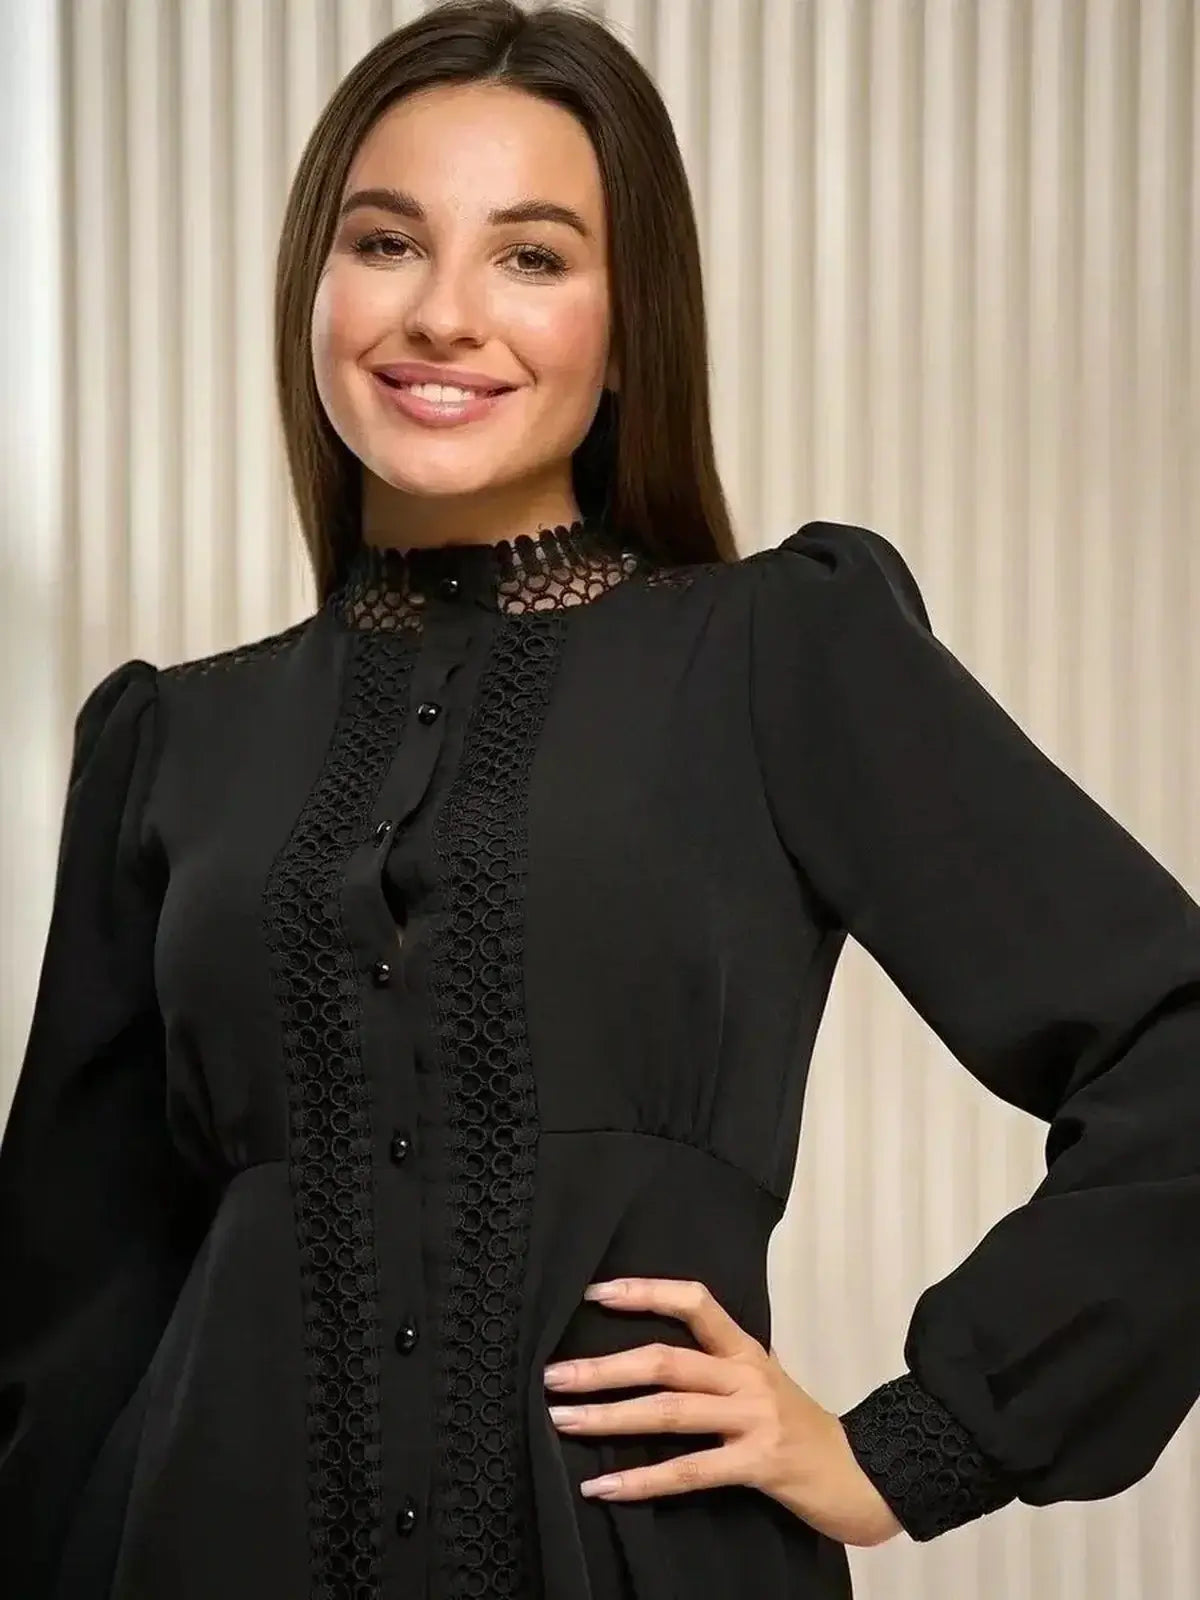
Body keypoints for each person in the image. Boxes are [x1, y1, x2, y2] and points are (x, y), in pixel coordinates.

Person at [2, 0, 1199, 1595]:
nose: (442, 313)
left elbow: (1172, 1041)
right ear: (312, 286)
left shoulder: (782, 653)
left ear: (630, 326)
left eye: (533, 256)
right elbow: (67, 1319)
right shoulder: (170, 743)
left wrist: (913, 1445)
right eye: (384, 242)